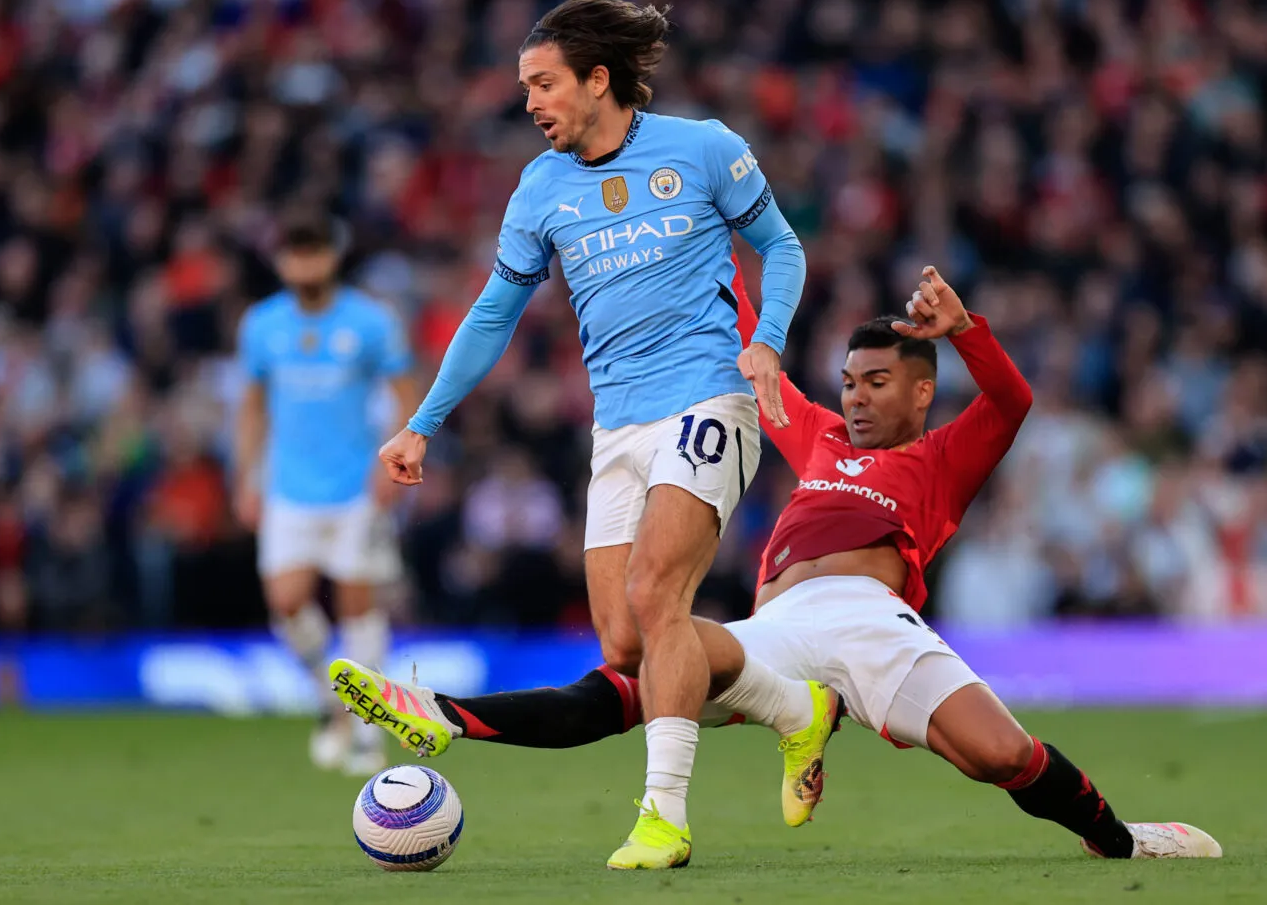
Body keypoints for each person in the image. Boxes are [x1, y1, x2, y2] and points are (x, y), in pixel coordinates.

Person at [334, 267, 1222, 861]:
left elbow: (1012, 399)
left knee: (1000, 754)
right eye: (849, 381)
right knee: (642, 665)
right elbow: (754, 366)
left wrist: (966, 331)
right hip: (779, 627)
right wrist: (707, 257)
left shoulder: (944, 456)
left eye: (877, 382)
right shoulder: (821, 436)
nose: (856, 397)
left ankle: (1122, 839)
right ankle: (444, 715)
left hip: (872, 621)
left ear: (922, 391)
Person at [372, 0, 809, 868]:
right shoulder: (540, 190)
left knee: (656, 593)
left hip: (709, 400)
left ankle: (664, 817)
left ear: (597, 79)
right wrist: (422, 423)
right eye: (525, 87)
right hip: (618, 427)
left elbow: (785, 247)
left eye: (544, 84)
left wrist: (765, 341)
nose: (531, 102)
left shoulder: (704, 148)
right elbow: (492, 314)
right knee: (628, 644)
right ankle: (798, 707)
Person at [235, 210, 417, 774]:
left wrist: (394, 463)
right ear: (281, 261)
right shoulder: (262, 325)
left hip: (355, 487)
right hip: (288, 487)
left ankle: (367, 731)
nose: (305, 264)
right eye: (295, 253)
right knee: (286, 602)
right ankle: (330, 698)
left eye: (313, 251)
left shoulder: (370, 321)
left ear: (332, 256)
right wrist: (247, 476)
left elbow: (404, 391)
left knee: (357, 605)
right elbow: (253, 406)